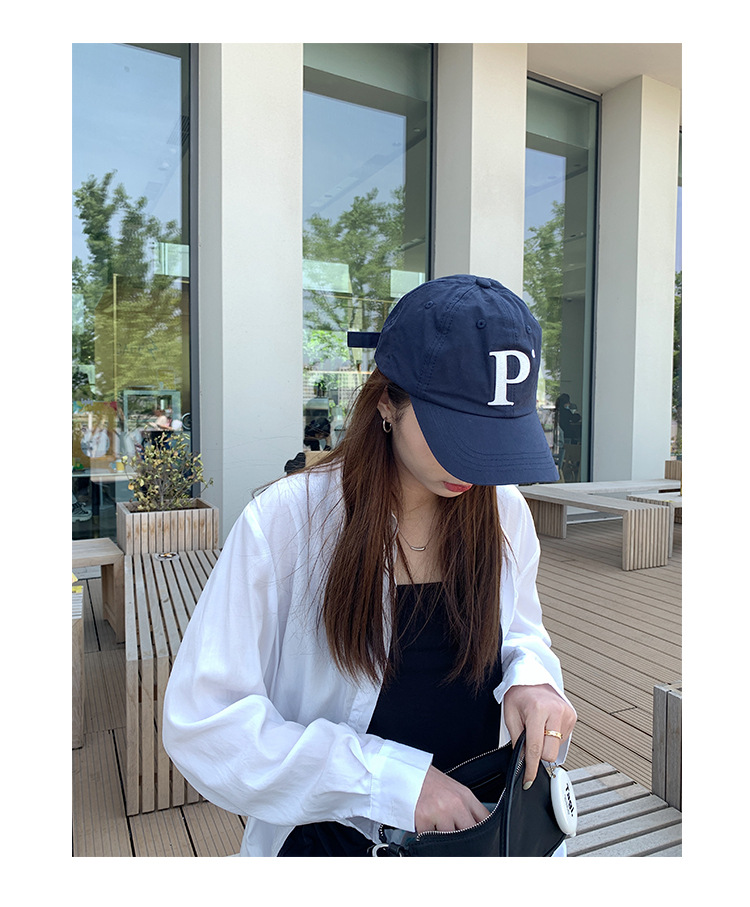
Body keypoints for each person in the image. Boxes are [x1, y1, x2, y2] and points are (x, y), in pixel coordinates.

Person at [163, 274, 577, 857]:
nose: (475, 463)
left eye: (496, 436)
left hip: (487, 832)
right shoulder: (288, 523)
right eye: (456, 432)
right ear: (386, 400)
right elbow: (205, 722)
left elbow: (521, 632)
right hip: (332, 842)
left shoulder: (505, 512)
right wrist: (389, 781)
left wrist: (532, 678)